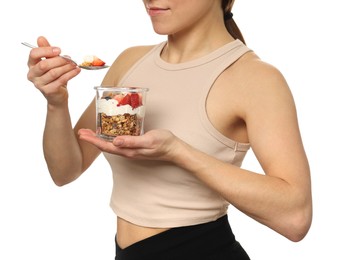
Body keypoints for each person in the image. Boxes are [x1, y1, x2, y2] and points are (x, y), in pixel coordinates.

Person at [25, 0, 312, 259]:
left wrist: (178, 152)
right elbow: (65, 171)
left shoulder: (254, 78)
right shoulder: (129, 61)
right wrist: (57, 103)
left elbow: (295, 218)